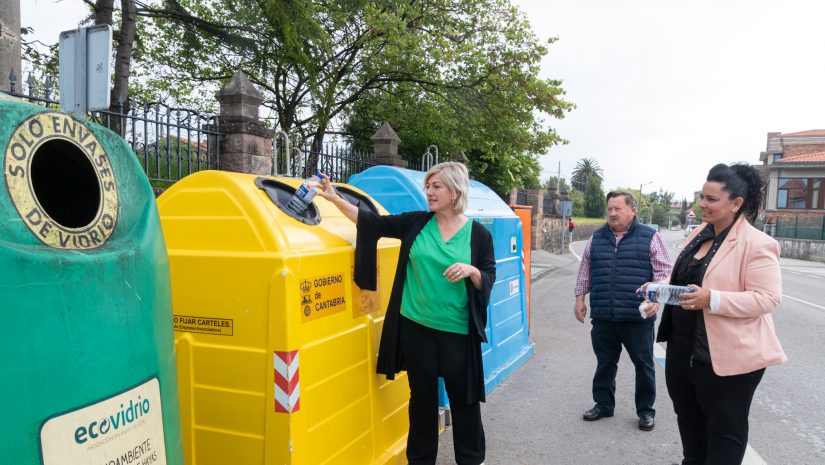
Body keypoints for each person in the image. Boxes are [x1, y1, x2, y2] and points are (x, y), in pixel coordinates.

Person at [317, 162, 495, 465]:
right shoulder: (416, 223)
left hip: (457, 333)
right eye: (428, 186)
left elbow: (488, 275)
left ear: (455, 191)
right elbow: (370, 222)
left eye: (436, 186)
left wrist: (472, 270)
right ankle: (421, 460)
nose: (429, 192)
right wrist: (334, 198)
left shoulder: (478, 235)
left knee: (464, 402)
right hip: (416, 329)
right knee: (422, 400)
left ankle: (470, 459)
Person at [647, 163, 786, 465]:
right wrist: (658, 292)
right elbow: (686, 281)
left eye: (711, 199)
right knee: (689, 424)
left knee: (725, 436)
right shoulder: (700, 233)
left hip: (728, 360)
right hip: (683, 351)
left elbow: (768, 299)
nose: (702, 204)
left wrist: (713, 300)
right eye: (702, 196)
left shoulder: (758, 244)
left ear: (736, 204)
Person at [573, 191, 672, 431]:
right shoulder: (596, 238)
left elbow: (665, 272)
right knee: (605, 362)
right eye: (609, 209)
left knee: (644, 364)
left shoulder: (650, 237)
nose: (612, 213)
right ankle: (603, 404)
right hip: (604, 316)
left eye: (617, 208)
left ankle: (646, 411)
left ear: (632, 211)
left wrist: (656, 300)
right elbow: (585, 269)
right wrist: (579, 299)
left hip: (637, 316)